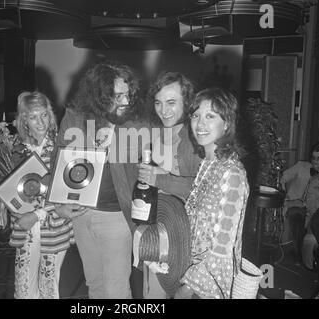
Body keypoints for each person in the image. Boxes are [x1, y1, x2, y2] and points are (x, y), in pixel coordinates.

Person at [53, 61, 147, 299]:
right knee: (94, 285)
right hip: (82, 214)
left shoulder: (137, 123)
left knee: (116, 291)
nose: (125, 102)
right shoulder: (75, 117)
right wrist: (57, 203)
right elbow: (58, 161)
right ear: (98, 95)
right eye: (117, 96)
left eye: (127, 95)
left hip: (116, 217)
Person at [175, 87, 249, 299]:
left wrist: (188, 288)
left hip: (207, 285)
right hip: (189, 268)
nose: (200, 124)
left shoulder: (231, 173)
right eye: (196, 115)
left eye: (210, 116)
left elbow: (222, 248)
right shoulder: (208, 164)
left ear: (226, 124)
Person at [137, 71, 201, 298]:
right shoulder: (158, 133)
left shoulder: (197, 137)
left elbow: (203, 190)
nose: (164, 110)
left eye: (171, 102)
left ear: (188, 102)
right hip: (160, 226)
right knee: (153, 293)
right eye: (158, 103)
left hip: (189, 235)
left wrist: (159, 178)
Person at [9, 91, 74, 299]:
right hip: (25, 225)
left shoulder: (61, 145)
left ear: (51, 115)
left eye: (44, 115)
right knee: (24, 287)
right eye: (33, 116)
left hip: (53, 225)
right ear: (24, 119)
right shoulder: (13, 148)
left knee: (49, 286)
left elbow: (66, 191)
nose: (40, 122)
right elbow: (8, 190)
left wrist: (37, 214)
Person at [280, 142, 319, 260]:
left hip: (317, 209)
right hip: (296, 206)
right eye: (313, 157)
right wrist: (286, 197)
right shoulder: (302, 167)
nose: (315, 161)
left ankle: (313, 257)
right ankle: (300, 255)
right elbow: (280, 178)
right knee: (296, 215)